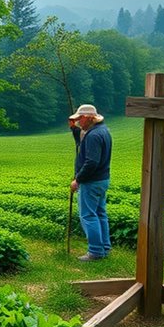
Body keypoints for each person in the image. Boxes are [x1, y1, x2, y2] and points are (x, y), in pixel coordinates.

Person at [69, 103, 112, 261]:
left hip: (91, 182)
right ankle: (104, 248)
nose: (79, 122)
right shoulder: (102, 130)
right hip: (102, 179)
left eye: (80, 119)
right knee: (100, 214)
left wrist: (78, 179)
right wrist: (74, 130)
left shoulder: (93, 135)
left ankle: (95, 251)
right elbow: (82, 139)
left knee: (88, 216)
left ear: (88, 118)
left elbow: (91, 162)